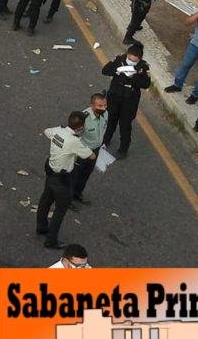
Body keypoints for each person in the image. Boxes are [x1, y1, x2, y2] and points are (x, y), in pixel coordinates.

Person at [37, 112, 95, 249]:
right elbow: (91, 156)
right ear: (80, 128)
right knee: (60, 210)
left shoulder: (58, 131)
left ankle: (41, 227)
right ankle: (51, 240)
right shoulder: (74, 141)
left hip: (51, 174)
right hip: (62, 180)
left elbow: (46, 131)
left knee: (45, 201)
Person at [102, 43, 151, 157]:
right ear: (127, 54)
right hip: (115, 94)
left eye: (134, 61)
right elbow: (105, 70)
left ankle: (123, 149)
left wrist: (133, 78)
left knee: (125, 125)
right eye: (129, 59)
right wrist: (117, 71)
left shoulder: (143, 67)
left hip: (130, 99)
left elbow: (146, 84)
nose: (131, 62)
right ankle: (105, 140)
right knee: (110, 119)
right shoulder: (119, 59)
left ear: (139, 59)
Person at [71, 94, 107, 205]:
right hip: (82, 152)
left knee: (86, 174)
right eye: (99, 106)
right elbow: (73, 136)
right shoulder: (83, 118)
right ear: (92, 105)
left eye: (105, 105)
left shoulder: (106, 114)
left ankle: (77, 193)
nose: (103, 108)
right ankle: (67, 199)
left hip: (95, 150)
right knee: (74, 176)